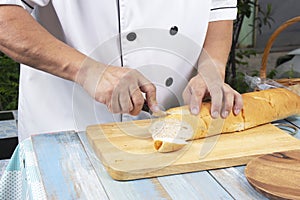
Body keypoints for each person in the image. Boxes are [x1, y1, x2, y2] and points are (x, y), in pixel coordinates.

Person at [0, 0, 243, 142]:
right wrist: (88, 71)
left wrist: (211, 71)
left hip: (176, 128)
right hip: (69, 127)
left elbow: (218, 13)